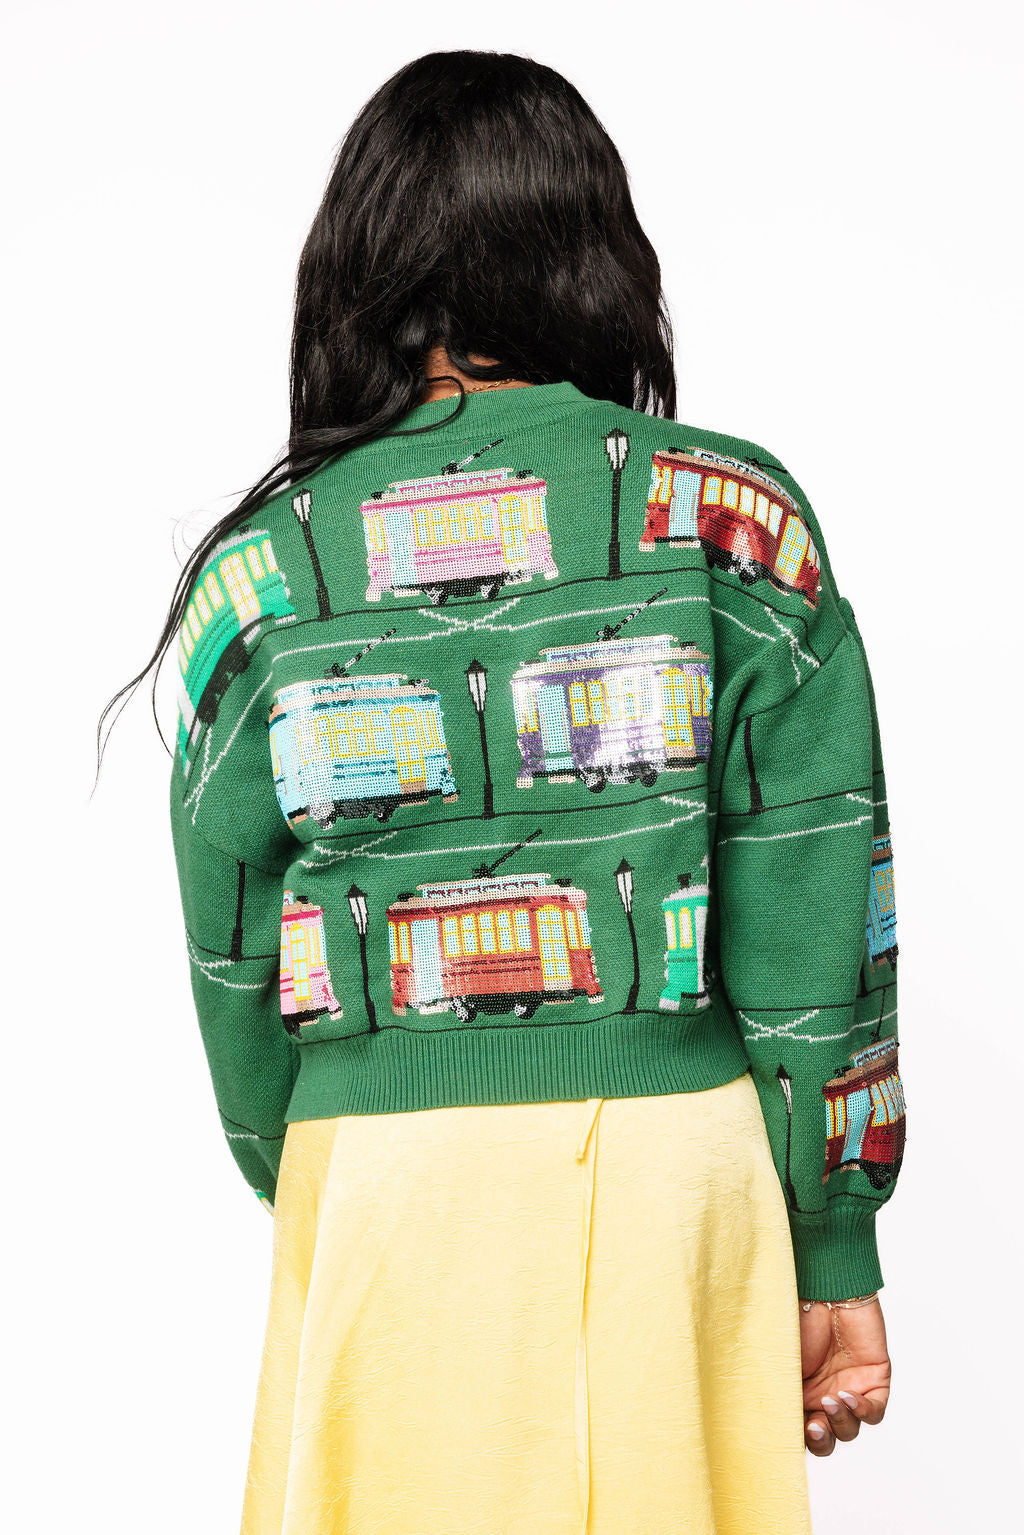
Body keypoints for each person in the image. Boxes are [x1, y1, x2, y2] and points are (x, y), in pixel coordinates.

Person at [99, 48, 904, 1535]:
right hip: (672, 1175)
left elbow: (233, 949)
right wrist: (834, 1244)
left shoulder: (264, 575)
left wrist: (324, 1160)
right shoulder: (732, 521)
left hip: (381, 1183)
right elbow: (816, 916)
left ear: (357, 273)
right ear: (595, 256)